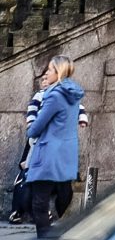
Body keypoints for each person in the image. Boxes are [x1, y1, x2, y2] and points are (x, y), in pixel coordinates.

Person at [11, 61, 89, 223]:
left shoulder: (54, 95)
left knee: (39, 201)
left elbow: (38, 126)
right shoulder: (71, 95)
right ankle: (55, 225)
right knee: (60, 191)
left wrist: (31, 129)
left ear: (59, 73)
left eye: (50, 71)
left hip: (47, 151)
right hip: (65, 152)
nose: (46, 75)